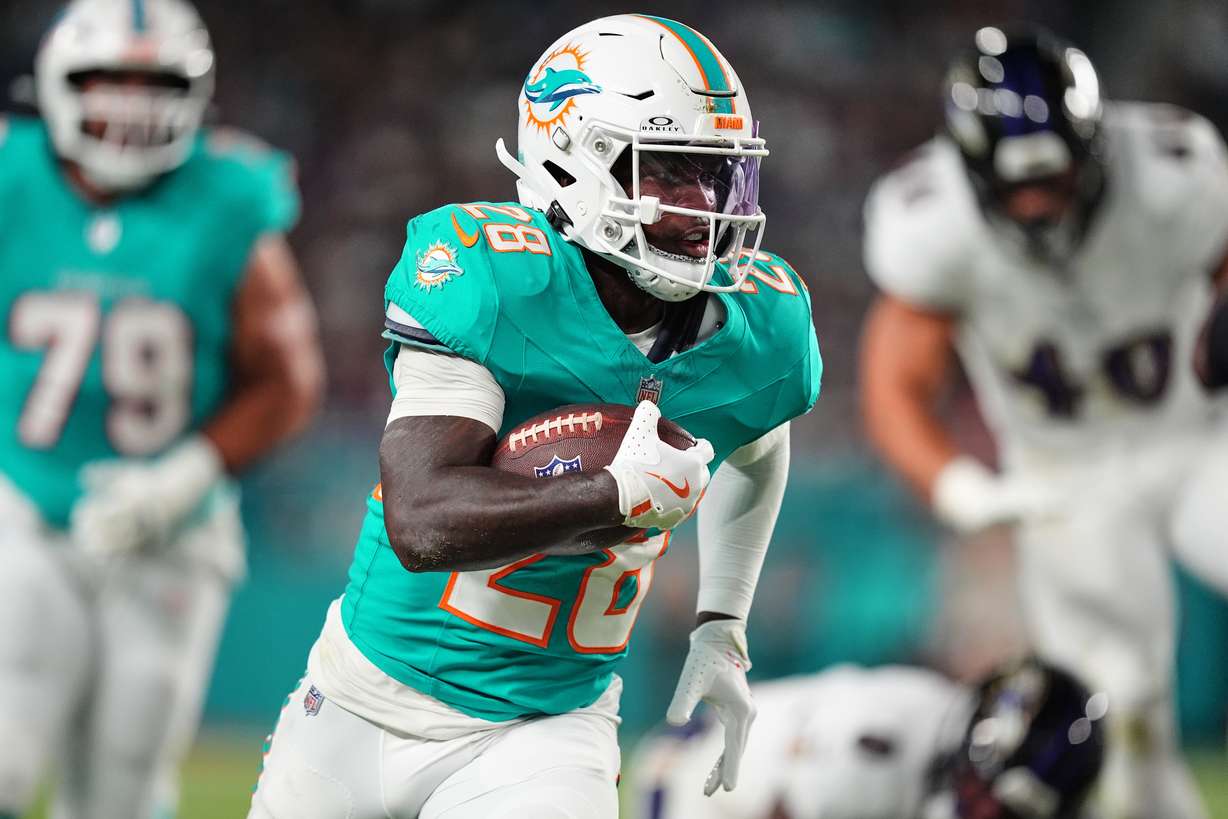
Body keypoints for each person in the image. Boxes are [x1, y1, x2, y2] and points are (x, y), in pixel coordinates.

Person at [250, 13, 821, 819]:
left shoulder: (761, 327)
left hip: (545, 726)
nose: (702, 207)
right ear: (570, 164)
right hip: (360, 699)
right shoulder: (492, 277)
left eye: (716, 174)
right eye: (666, 171)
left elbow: (759, 443)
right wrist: (612, 494)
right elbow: (423, 519)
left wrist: (721, 624)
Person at [860, 25, 1228, 819]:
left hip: (1201, 437)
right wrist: (953, 483)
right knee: (1117, 709)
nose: (1039, 202)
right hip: (1066, 473)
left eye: (1057, 179)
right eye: (1018, 188)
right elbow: (894, 381)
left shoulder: (1172, 171)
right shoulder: (934, 223)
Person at [0, 1, 324, 817]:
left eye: (155, 82)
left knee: (124, 784)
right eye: (108, 78)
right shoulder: (11, 173)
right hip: (23, 498)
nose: (132, 102)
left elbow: (289, 378)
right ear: (56, 83)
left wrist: (182, 478)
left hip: (171, 526)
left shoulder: (229, 197)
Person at [632, 658, 1105, 819]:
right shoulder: (872, 754)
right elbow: (782, 809)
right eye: (989, 803)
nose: (988, 814)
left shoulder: (939, 715)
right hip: (691, 786)